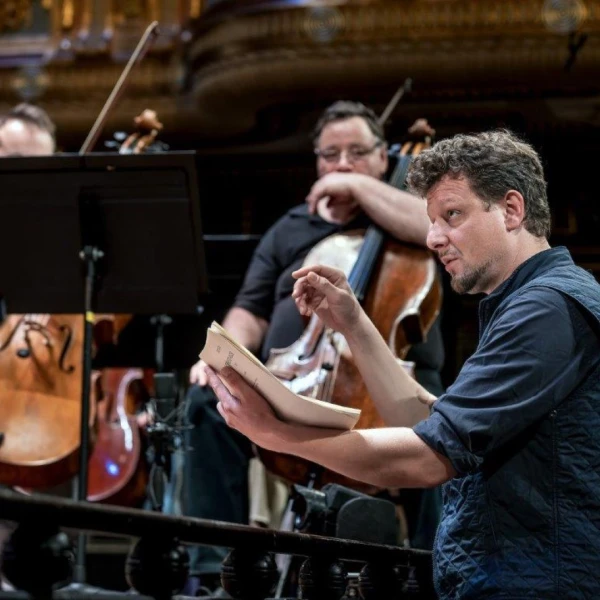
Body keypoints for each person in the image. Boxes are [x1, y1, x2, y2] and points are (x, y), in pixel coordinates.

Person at [205, 129, 600, 599]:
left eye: (452, 215)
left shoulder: (547, 309)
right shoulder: (532, 303)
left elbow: (426, 458)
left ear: (512, 210)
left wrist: (277, 435)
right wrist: (354, 322)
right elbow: (426, 422)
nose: (433, 238)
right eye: (432, 221)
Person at [184, 100, 446, 590]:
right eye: (331, 155)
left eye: (357, 153)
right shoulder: (290, 227)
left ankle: (434, 575)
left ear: (383, 156)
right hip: (295, 377)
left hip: (387, 386)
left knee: (437, 426)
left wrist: (358, 188)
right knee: (206, 401)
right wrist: (222, 354)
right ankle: (210, 573)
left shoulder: (408, 216)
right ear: (316, 161)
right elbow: (250, 310)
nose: (342, 163)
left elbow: (433, 228)